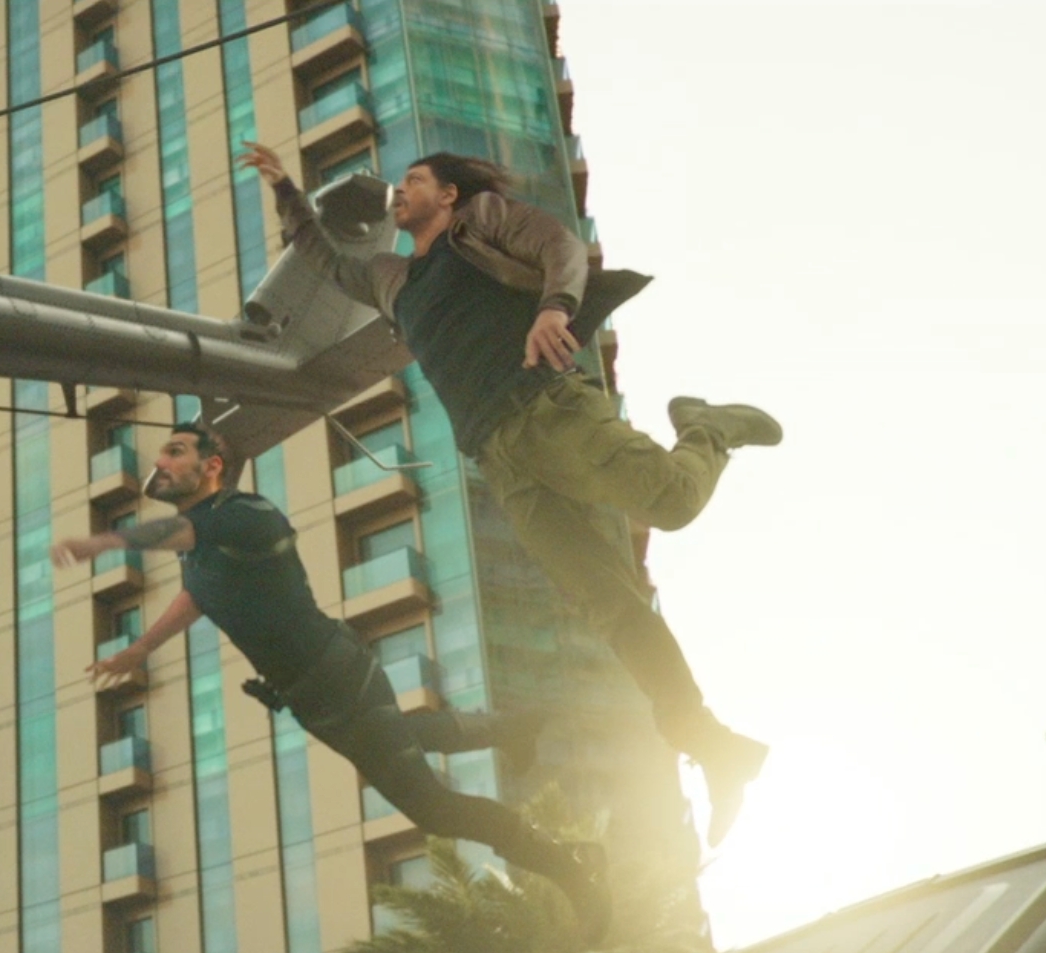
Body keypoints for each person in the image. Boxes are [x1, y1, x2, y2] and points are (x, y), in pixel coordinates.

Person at [240, 141, 778, 845]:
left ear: (448, 195)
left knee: (671, 503)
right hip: (499, 458)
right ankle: (708, 743)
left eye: (414, 181)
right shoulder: (390, 278)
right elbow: (323, 258)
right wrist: (284, 188)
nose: (400, 192)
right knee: (611, 606)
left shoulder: (481, 221)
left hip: (545, 407)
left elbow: (559, 247)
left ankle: (706, 426)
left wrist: (555, 309)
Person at [53, 422, 606, 937]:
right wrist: (139, 649)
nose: (162, 462)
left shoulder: (244, 515)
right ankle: (513, 729)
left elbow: (183, 532)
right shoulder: (201, 548)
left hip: (336, 676)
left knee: (432, 808)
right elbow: (198, 595)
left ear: (213, 465)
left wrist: (102, 544)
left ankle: (570, 864)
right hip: (313, 696)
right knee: (402, 736)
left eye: (175, 452)